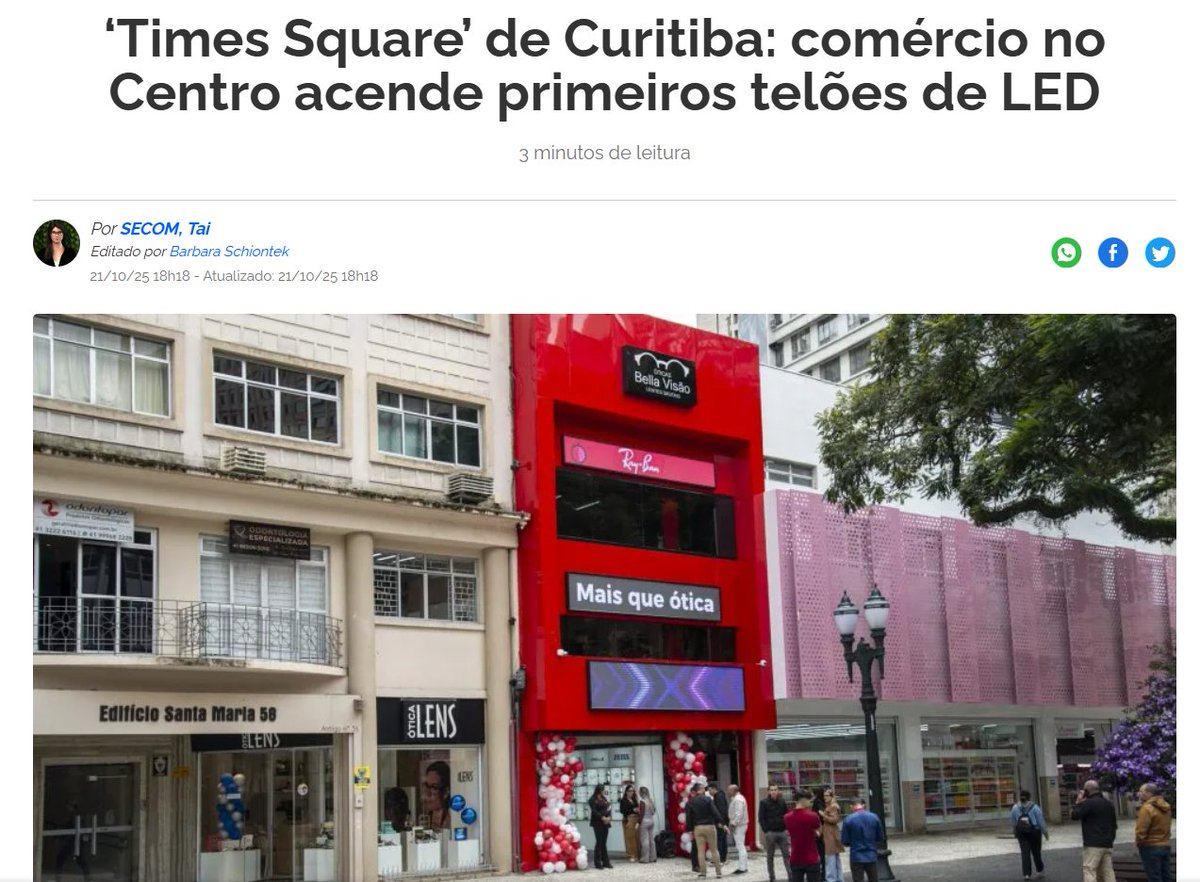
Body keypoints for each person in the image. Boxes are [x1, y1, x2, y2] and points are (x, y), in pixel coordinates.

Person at [1071, 779, 1118, 882]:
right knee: (1108, 871)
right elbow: (1114, 824)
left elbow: (1075, 815)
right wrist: (1110, 839)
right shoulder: (1108, 804)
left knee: (1089, 869)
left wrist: (1078, 802)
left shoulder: (1088, 803)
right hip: (1107, 843)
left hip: (1093, 843)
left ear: (1087, 791)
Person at [1133, 783, 1172, 882]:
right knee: (1166, 875)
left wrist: (1139, 843)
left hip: (1150, 846)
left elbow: (1141, 830)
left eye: (1141, 792)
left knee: (1154, 877)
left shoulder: (1146, 808)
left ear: (1149, 793)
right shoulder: (1166, 807)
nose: (1139, 794)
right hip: (1165, 844)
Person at [840, 798, 884, 882]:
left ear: (851, 806)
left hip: (856, 855)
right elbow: (880, 837)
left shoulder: (848, 819)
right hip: (871, 854)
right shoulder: (874, 817)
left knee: (858, 879)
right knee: (873, 879)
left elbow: (845, 841)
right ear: (863, 805)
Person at [686, 782, 723, 878]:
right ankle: (718, 873)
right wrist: (721, 822)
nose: (705, 790)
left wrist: (690, 830)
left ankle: (703, 873)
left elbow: (688, 818)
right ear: (699, 790)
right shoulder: (708, 800)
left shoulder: (690, 802)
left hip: (698, 828)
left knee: (700, 851)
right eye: (703, 788)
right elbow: (715, 812)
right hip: (710, 827)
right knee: (714, 850)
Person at [784, 789, 823, 882]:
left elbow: (789, 833)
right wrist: (815, 833)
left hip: (795, 857)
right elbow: (819, 831)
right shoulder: (813, 816)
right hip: (811, 857)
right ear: (804, 800)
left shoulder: (787, 817)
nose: (811, 803)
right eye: (810, 800)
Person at [1009, 789, 1049, 880]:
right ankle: (1039, 870)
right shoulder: (1035, 807)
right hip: (1034, 832)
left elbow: (1012, 821)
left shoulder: (1015, 807)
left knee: (1025, 853)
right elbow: (1041, 821)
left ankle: (1026, 874)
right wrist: (1045, 833)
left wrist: (1014, 831)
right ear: (1029, 797)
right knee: (1036, 852)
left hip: (1021, 833)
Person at [758, 784, 792, 882]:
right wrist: (766, 831)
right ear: (768, 791)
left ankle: (790, 875)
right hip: (771, 833)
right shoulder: (763, 802)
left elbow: (786, 815)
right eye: (772, 790)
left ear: (778, 791)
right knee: (770, 856)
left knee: (786, 855)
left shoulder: (782, 802)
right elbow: (761, 818)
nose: (773, 791)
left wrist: (786, 828)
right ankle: (772, 876)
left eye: (775, 790)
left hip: (782, 832)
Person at [819, 788, 844, 882]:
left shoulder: (833, 806)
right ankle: (838, 878)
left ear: (831, 796)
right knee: (835, 858)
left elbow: (834, 820)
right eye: (824, 795)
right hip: (831, 834)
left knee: (830, 858)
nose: (825, 797)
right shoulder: (831, 806)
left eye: (827, 796)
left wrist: (823, 815)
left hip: (831, 835)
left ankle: (831, 879)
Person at [588, 784, 614, 870]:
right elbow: (594, 811)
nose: (603, 791)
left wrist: (609, 817)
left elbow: (609, 808)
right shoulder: (592, 799)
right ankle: (597, 863)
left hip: (605, 822)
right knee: (599, 842)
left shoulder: (604, 798)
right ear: (598, 790)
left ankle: (606, 862)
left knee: (604, 842)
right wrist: (602, 817)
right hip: (597, 823)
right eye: (602, 790)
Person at [726, 784, 749, 875]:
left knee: (740, 846)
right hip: (740, 825)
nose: (727, 792)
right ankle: (744, 867)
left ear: (734, 791)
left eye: (729, 790)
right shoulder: (737, 798)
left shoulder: (738, 799)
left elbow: (738, 814)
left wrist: (733, 824)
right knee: (741, 846)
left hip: (739, 826)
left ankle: (742, 868)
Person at [421, 760, 451, 829]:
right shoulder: (424, 819)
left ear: (446, 791)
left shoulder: (453, 819)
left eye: (434, 787)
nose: (428, 793)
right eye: (427, 786)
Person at [708, 782, 730, 865]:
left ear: (714, 789)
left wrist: (720, 822)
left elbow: (721, 811)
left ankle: (720, 859)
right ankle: (723, 858)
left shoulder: (718, 797)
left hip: (720, 822)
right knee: (722, 840)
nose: (709, 792)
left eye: (710, 790)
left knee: (720, 840)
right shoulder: (720, 795)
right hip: (723, 821)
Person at [619, 784, 641, 862]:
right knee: (630, 838)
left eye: (632, 791)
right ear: (626, 792)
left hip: (636, 819)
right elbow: (622, 810)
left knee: (637, 837)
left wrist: (637, 810)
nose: (631, 792)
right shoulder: (623, 800)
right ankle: (632, 854)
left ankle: (637, 854)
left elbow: (638, 808)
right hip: (628, 819)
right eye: (629, 791)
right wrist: (633, 810)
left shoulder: (634, 799)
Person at [637, 786, 658, 863]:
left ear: (641, 793)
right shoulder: (650, 800)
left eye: (639, 792)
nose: (638, 793)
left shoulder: (642, 801)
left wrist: (638, 823)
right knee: (651, 840)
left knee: (644, 840)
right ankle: (653, 857)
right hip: (651, 821)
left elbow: (641, 814)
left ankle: (645, 858)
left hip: (644, 822)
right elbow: (654, 811)